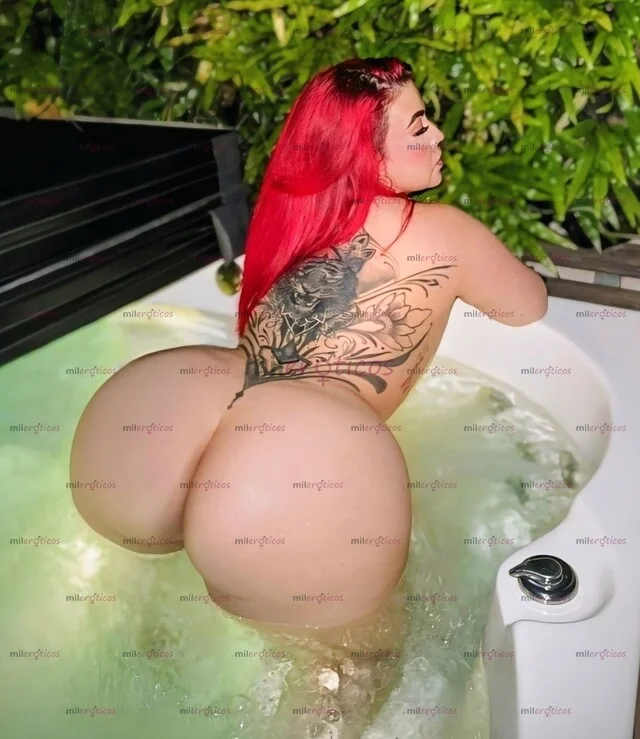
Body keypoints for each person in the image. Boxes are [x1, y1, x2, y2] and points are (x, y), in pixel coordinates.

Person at [70, 56, 547, 730]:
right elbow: (527, 305)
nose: (439, 135)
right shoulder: (446, 230)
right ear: (365, 153)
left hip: (173, 410)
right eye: (419, 126)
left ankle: (158, 636)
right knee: (359, 658)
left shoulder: (293, 223)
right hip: (294, 470)